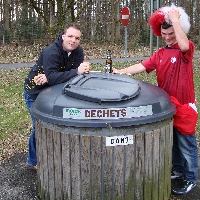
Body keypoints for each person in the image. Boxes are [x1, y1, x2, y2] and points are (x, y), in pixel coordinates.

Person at [113, 4, 198, 195]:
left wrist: (175, 19)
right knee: (174, 141)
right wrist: (121, 72)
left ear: (179, 29)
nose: (168, 37)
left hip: (184, 105)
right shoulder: (160, 54)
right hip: (168, 105)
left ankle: (191, 177)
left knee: (187, 143)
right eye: (164, 33)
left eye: (171, 33)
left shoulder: (186, 50)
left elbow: (184, 44)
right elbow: (142, 66)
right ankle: (178, 170)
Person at [24, 23, 90, 170]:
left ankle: (56, 155)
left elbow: (60, 77)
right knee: (40, 127)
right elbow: (60, 76)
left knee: (57, 124)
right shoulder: (51, 51)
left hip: (54, 91)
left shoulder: (78, 51)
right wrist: (75, 72)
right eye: (70, 36)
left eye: (77, 38)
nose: (73, 40)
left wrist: (55, 77)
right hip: (35, 92)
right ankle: (33, 161)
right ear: (63, 36)